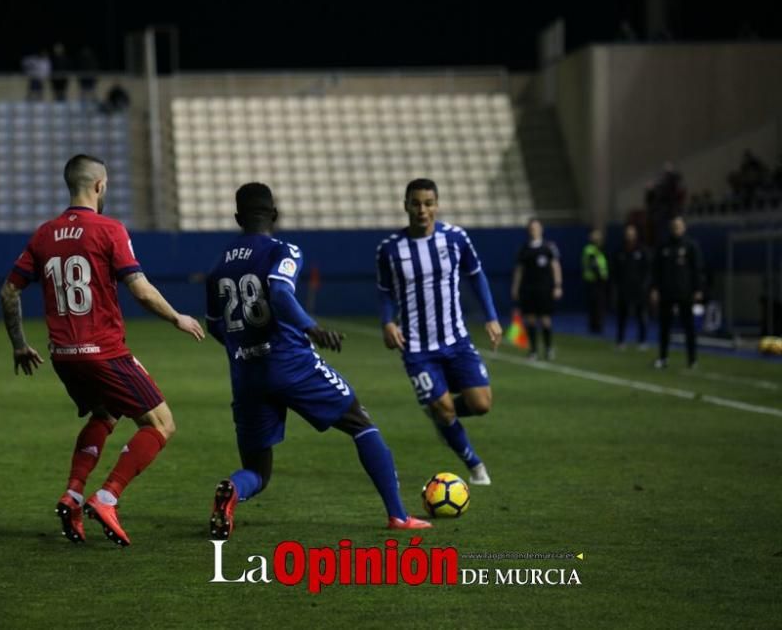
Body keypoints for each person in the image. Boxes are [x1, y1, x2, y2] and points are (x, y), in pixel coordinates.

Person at [205, 183, 431, 539]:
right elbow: (279, 291)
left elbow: (215, 326)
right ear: (275, 216)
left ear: (237, 218)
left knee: (258, 472)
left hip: (246, 375)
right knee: (360, 422)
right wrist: (312, 328)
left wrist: (244, 349)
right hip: (292, 364)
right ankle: (399, 516)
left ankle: (233, 490)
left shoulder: (218, 268)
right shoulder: (284, 250)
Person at [0, 154, 205, 546]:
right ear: (99, 186)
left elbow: (8, 291)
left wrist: (19, 345)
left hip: (63, 355)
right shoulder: (109, 229)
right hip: (104, 352)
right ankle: (107, 497)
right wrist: (176, 317)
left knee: (106, 413)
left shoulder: (44, 234)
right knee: (161, 424)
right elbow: (140, 289)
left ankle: (73, 493)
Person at [376, 179, 502, 486]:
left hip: (456, 340)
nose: (423, 210)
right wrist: (387, 322)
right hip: (417, 347)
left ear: (437, 205)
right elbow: (384, 291)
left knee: (481, 404)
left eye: (428, 203)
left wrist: (491, 317)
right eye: (416, 203)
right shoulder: (390, 250)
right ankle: (474, 465)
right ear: (406, 205)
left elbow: (477, 275)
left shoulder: (456, 238)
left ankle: (441, 415)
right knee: (444, 408)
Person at [652, 216, 704, 369]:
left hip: (685, 293)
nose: (677, 229)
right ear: (671, 228)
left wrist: (698, 289)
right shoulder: (663, 246)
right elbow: (656, 269)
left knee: (689, 328)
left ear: (684, 227)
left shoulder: (691, 246)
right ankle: (663, 358)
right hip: (667, 293)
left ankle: (692, 360)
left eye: (679, 226)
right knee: (664, 327)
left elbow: (697, 269)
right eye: (674, 226)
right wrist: (655, 288)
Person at [511, 218, 562, 360]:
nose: (534, 230)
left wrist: (557, 285)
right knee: (530, 319)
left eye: (536, 227)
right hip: (528, 288)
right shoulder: (524, 248)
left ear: (541, 229)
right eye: (531, 228)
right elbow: (519, 270)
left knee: (545, 319)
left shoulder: (548, 247)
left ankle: (548, 348)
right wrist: (515, 287)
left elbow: (555, 266)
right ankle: (533, 350)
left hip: (545, 288)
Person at [612, 223, 651, 350]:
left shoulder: (642, 250)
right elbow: (615, 271)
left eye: (631, 233)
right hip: (624, 288)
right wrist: (616, 286)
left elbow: (648, 270)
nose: (629, 236)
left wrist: (645, 286)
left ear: (636, 234)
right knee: (622, 316)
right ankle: (620, 340)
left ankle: (642, 340)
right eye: (627, 233)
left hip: (639, 289)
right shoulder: (620, 250)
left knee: (641, 315)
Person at [582, 228, 609, 334]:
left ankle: (597, 325)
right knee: (596, 304)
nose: (598, 238)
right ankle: (596, 326)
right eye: (595, 236)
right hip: (594, 281)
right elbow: (594, 265)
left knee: (599, 304)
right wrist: (600, 276)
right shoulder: (590, 249)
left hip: (599, 281)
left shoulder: (600, 249)